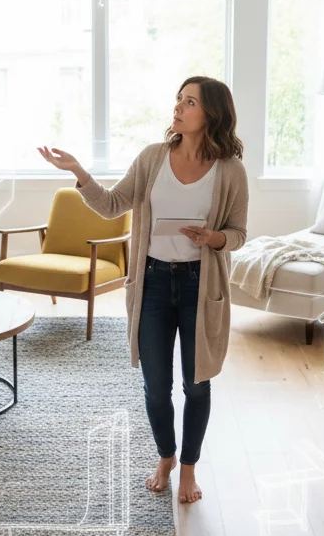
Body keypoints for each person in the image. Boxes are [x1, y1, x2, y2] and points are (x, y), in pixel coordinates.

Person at [38, 76, 249, 503]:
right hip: (152, 283)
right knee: (155, 385)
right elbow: (112, 204)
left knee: (197, 384)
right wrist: (78, 171)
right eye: (178, 99)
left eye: (189, 102)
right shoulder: (153, 157)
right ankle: (165, 456)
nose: (178, 107)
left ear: (211, 114)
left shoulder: (230, 172)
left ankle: (188, 468)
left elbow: (239, 233)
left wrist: (214, 239)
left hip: (197, 285)